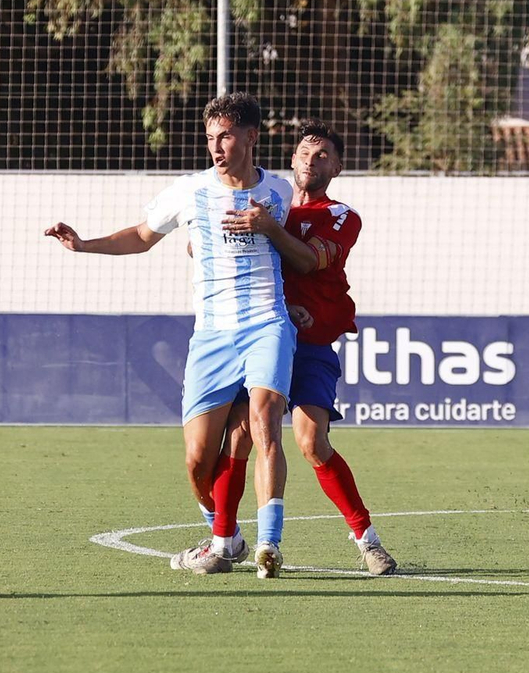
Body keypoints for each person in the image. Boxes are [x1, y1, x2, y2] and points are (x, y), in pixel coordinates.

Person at [44, 92, 296, 579]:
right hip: (212, 337)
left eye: (225, 136)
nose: (216, 147)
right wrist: (83, 245)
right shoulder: (189, 191)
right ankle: (227, 537)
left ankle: (269, 545)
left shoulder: (280, 192)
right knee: (197, 460)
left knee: (264, 426)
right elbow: (141, 236)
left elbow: (303, 250)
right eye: (210, 138)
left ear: (251, 137)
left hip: (267, 323)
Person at [210, 119, 398, 575]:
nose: (311, 161)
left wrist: (269, 228)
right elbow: (213, 246)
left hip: (309, 345)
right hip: (260, 338)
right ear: (291, 158)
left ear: (337, 166)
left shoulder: (340, 216)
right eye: (304, 153)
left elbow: (310, 259)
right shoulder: (266, 199)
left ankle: (367, 541)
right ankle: (223, 541)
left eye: (322, 156)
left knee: (312, 441)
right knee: (239, 435)